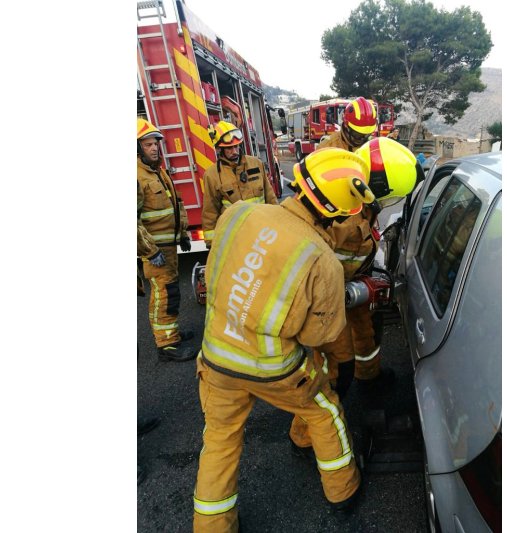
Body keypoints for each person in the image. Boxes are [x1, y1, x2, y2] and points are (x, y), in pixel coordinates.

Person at [191, 148, 375, 532]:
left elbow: (215, 270)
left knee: (220, 441)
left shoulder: (239, 212)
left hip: (215, 358)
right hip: (274, 369)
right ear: (340, 212)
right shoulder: (321, 258)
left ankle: (212, 527)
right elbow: (318, 335)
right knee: (324, 411)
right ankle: (343, 492)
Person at [289, 137, 419, 455]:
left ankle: (369, 377)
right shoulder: (341, 216)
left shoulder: (362, 207)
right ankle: (304, 435)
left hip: (352, 285)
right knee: (330, 367)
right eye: (390, 199)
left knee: (367, 331)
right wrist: (347, 292)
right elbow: (310, 269)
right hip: (329, 299)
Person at [137, 118, 196, 362]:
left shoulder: (157, 172)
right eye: (147, 144)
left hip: (168, 247)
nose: (154, 148)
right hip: (156, 251)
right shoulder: (135, 176)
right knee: (164, 295)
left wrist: (182, 234)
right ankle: (167, 345)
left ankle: (171, 333)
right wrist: (150, 251)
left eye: (155, 144)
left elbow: (176, 204)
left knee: (171, 293)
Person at [201, 120, 278, 248]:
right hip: (235, 239)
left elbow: (270, 197)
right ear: (220, 149)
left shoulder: (256, 164)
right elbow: (210, 211)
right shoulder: (212, 175)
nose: (234, 151)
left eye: (236, 146)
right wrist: (212, 242)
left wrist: (278, 223)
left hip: (262, 233)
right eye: (229, 148)